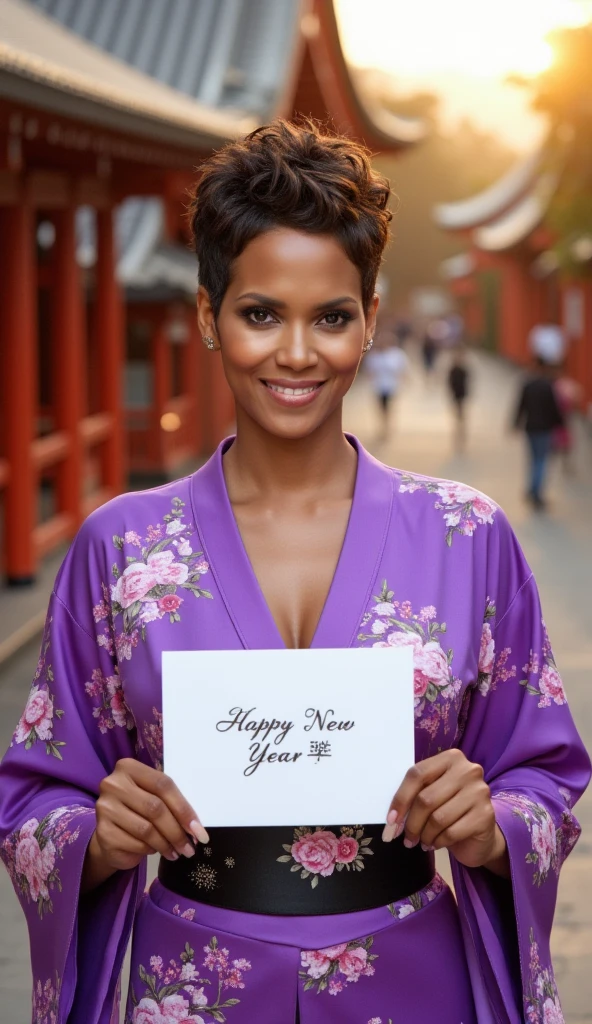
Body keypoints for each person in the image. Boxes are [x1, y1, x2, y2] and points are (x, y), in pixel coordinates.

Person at [0, 119, 589, 1024]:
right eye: (261, 313)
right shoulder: (119, 548)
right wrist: (97, 834)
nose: (299, 354)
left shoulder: (469, 536)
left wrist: (496, 826)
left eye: (333, 317)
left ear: (371, 321)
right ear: (207, 315)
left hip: (412, 977)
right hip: (191, 985)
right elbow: (38, 789)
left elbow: (544, 774)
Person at [514, 357, 565, 510]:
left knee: (533, 459)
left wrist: (516, 423)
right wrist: (560, 425)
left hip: (530, 427)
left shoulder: (527, 384)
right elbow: (554, 409)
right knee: (541, 460)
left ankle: (531, 488)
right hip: (544, 429)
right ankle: (536, 493)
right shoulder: (548, 386)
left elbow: (520, 406)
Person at [365, 333, 409, 438]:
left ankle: (388, 425)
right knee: (381, 407)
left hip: (391, 386)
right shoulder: (374, 356)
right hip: (378, 386)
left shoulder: (397, 354)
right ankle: (383, 425)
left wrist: (404, 379)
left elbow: (403, 368)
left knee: (388, 406)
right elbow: (369, 371)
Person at [447, 347, 470, 451]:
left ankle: (461, 429)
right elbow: (449, 383)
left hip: (462, 395)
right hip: (455, 395)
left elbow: (467, 383)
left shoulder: (464, 370)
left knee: (461, 414)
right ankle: (459, 428)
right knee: (458, 414)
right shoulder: (453, 370)